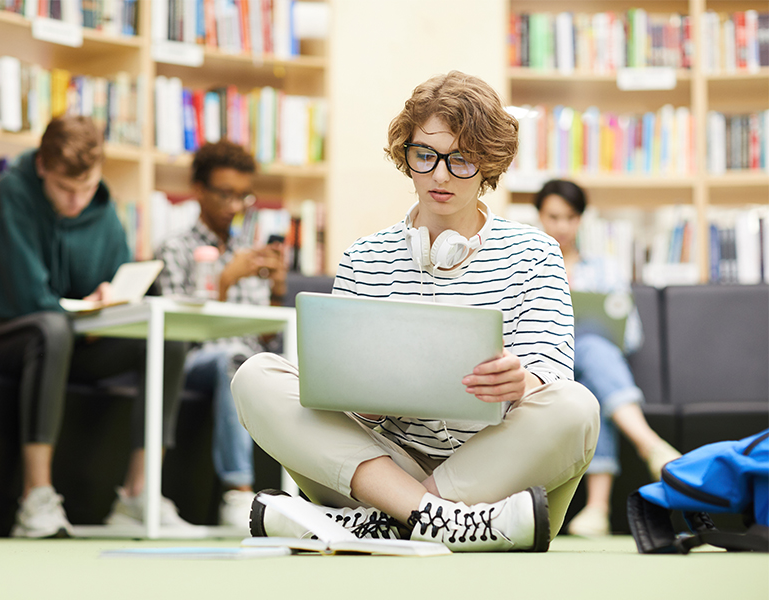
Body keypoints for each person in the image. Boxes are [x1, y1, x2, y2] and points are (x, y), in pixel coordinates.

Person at [231, 71, 600, 552]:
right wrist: (358, 398)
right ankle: (451, 524)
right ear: (406, 155)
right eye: (425, 155)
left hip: (496, 470)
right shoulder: (364, 257)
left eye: (461, 159)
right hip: (384, 464)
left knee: (576, 406)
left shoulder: (535, 253)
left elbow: (551, 379)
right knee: (256, 377)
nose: (440, 175)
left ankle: (377, 525)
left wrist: (522, 383)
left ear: (488, 164)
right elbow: (332, 398)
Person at [0, 115, 194, 538]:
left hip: (75, 335)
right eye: (66, 190)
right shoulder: (9, 195)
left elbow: (120, 280)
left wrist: (112, 300)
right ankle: (37, 498)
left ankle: (139, 495)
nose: (77, 202)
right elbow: (21, 302)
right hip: (2, 335)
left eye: (85, 188)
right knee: (51, 329)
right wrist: (87, 312)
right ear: (44, 167)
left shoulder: (101, 203)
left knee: (168, 338)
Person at [534, 179, 681, 537]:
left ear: (581, 220)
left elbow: (630, 335)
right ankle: (649, 444)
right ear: (539, 217)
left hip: (592, 367)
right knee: (588, 351)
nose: (561, 226)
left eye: (570, 217)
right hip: (544, 367)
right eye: (553, 217)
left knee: (593, 358)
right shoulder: (530, 266)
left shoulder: (604, 270)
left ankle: (597, 510)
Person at [154, 140, 287, 529]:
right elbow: (178, 335)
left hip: (244, 360)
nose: (234, 206)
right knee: (233, 360)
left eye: (243, 196)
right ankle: (239, 493)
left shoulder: (250, 252)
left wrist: (277, 288)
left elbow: (267, 338)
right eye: (224, 194)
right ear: (198, 191)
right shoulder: (174, 249)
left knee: (261, 364)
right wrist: (224, 281)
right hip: (195, 361)